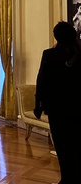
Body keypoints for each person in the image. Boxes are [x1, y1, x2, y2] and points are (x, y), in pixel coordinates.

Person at [34, 21, 81, 184]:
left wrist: (38, 105)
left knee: (63, 147)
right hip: (77, 108)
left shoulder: (50, 54)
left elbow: (42, 81)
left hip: (57, 109)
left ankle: (67, 179)